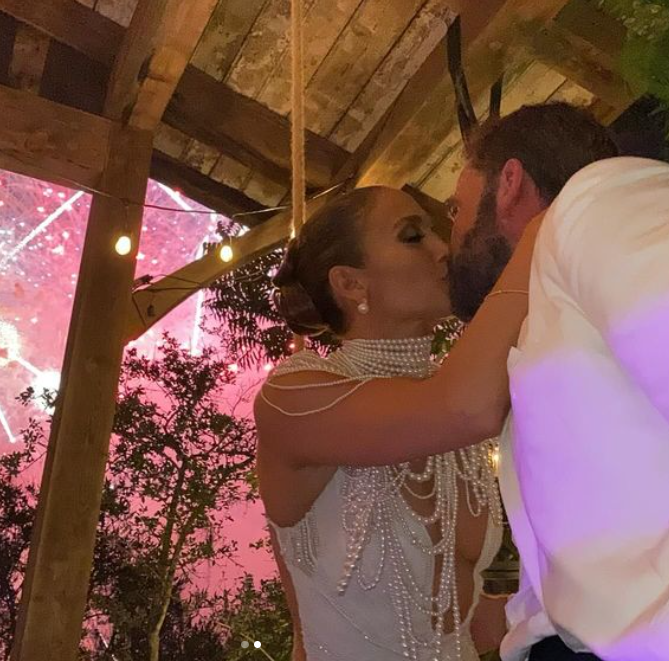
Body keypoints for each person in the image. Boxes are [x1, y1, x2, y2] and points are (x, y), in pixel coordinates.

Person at [254, 185, 538, 660]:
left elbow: (467, 622)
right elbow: (463, 406)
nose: (441, 248)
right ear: (351, 284)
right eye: (412, 236)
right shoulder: (294, 397)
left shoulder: (448, 410)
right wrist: (538, 239)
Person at [444, 103, 669, 661]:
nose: (446, 236)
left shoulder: (594, 203)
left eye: (455, 207)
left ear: (509, 183)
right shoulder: (549, 308)